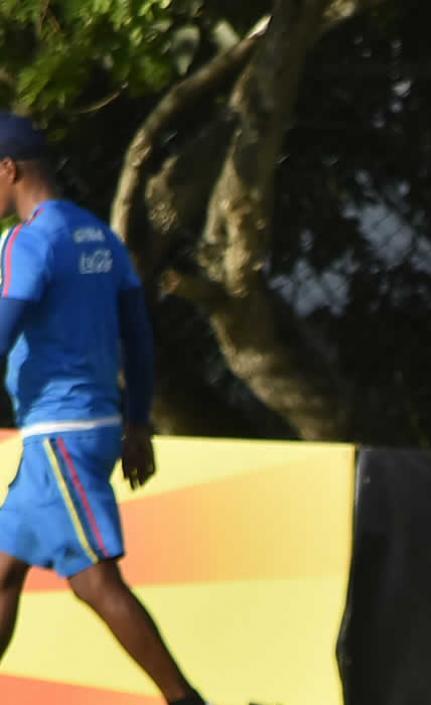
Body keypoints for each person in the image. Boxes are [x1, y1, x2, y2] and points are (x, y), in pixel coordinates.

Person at [0, 113, 207, 705]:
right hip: (83, 428)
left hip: (59, 435)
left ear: (9, 170)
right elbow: (138, 337)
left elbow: (4, 329)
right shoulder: (96, 235)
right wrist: (138, 421)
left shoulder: (26, 241)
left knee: (94, 579)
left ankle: (185, 699)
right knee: (4, 573)